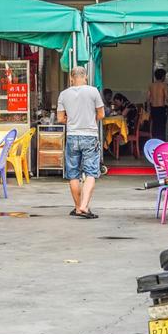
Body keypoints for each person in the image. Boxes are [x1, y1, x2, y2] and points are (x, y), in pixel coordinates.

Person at [56, 66, 104, 219]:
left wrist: (72, 120)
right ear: (86, 77)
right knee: (91, 172)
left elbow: (60, 119)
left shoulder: (63, 94)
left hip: (72, 136)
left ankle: (78, 207)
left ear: (71, 78)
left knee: (73, 174)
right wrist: (90, 119)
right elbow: (101, 114)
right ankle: (84, 206)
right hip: (89, 136)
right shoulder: (93, 91)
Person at [147, 68, 168, 140]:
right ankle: (161, 142)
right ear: (163, 76)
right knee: (161, 127)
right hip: (161, 109)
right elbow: (167, 98)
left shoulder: (151, 85)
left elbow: (148, 99)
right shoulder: (164, 85)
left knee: (154, 127)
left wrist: (148, 109)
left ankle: (154, 142)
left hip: (153, 108)